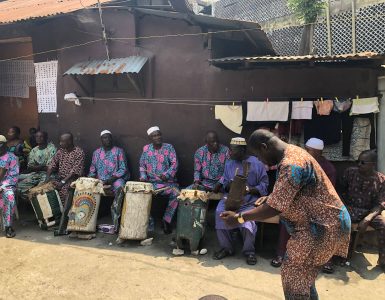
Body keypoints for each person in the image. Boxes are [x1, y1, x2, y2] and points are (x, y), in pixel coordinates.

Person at [221, 129, 350, 299]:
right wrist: (271, 197)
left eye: (259, 156)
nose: (261, 161)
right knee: (304, 278)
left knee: (293, 278)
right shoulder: (295, 152)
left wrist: (239, 218)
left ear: (264, 147)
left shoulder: (292, 164)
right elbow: (294, 191)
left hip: (320, 229)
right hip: (325, 224)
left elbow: (274, 208)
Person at [271, 138, 338, 274]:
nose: (305, 152)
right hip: (299, 202)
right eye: (305, 149)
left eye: (309, 150)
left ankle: (326, 260)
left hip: (320, 205)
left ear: (319, 152)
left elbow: (328, 193)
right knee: (287, 217)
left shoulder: (329, 168)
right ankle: (281, 253)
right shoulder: (299, 162)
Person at [213, 137, 268, 265]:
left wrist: (249, 189)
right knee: (219, 212)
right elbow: (225, 182)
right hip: (230, 199)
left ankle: (249, 251)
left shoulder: (257, 163)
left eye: (233, 151)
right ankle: (226, 248)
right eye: (230, 150)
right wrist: (230, 185)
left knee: (248, 221)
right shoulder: (229, 163)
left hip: (249, 201)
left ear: (243, 150)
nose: (230, 153)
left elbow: (265, 185)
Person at [340, 150, 385, 272]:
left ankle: (382, 258)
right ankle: (342, 255)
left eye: (363, 162)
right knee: (341, 220)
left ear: (372, 164)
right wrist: (344, 208)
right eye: (358, 161)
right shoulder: (350, 172)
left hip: (369, 211)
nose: (359, 164)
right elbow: (339, 192)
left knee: (383, 225)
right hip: (349, 208)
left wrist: (368, 218)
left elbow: (380, 205)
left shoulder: (381, 180)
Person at [139, 126, 179, 234]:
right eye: (154, 136)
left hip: (168, 183)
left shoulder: (169, 147)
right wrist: (143, 177)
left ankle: (166, 220)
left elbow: (175, 164)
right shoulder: (146, 149)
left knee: (176, 193)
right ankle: (149, 222)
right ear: (150, 139)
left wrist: (167, 174)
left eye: (159, 135)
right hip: (152, 183)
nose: (157, 137)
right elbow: (142, 165)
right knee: (141, 193)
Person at [89, 130, 129, 230]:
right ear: (101, 140)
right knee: (87, 186)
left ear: (112, 138)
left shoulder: (119, 151)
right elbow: (92, 170)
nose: (107, 140)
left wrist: (111, 180)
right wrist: (90, 180)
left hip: (115, 179)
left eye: (108, 137)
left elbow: (123, 169)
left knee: (120, 187)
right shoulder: (96, 153)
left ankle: (116, 218)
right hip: (100, 180)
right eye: (104, 138)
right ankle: (89, 219)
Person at [45, 133, 85, 204]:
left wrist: (62, 182)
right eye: (60, 141)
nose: (60, 143)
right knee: (46, 189)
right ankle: (53, 211)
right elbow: (52, 164)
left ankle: (64, 212)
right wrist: (47, 177)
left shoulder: (79, 152)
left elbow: (74, 171)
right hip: (61, 178)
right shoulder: (61, 151)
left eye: (62, 141)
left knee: (64, 192)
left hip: (73, 180)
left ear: (69, 141)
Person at [17, 131, 56, 199]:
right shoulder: (34, 150)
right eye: (37, 136)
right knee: (18, 186)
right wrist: (42, 166)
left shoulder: (52, 148)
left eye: (41, 136)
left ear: (46, 138)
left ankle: (37, 202)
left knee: (41, 188)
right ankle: (31, 201)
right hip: (35, 174)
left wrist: (37, 167)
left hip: (48, 174)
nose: (39, 138)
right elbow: (30, 167)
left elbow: (49, 167)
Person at [0, 135, 19, 238]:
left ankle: (8, 226)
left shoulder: (12, 157)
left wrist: (2, 186)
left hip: (6, 186)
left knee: (9, 196)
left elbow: (14, 177)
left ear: (5, 145)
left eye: (0, 144)